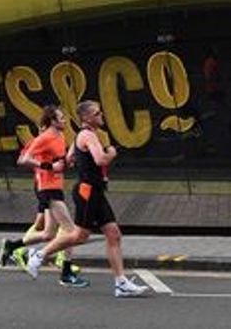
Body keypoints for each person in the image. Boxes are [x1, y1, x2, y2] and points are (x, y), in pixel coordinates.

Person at [25, 100, 149, 297]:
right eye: (97, 113)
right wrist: (111, 153)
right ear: (87, 118)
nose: (102, 115)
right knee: (79, 236)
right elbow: (101, 159)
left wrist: (71, 162)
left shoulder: (82, 137)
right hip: (87, 192)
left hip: (95, 191)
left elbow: (69, 158)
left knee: (113, 233)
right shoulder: (88, 135)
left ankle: (121, 283)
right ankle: (38, 255)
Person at [0, 105, 87, 287]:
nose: (65, 120)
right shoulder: (45, 137)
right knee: (72, 232)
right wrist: (48, 167)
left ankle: (12, 246)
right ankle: (66, 273)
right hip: (47, 187)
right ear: (52, 121)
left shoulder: (60, 136)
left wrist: (66, 162)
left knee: (48, 233)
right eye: (61, 118)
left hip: (56, 185)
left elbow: (57, 160)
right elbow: (23, 159)